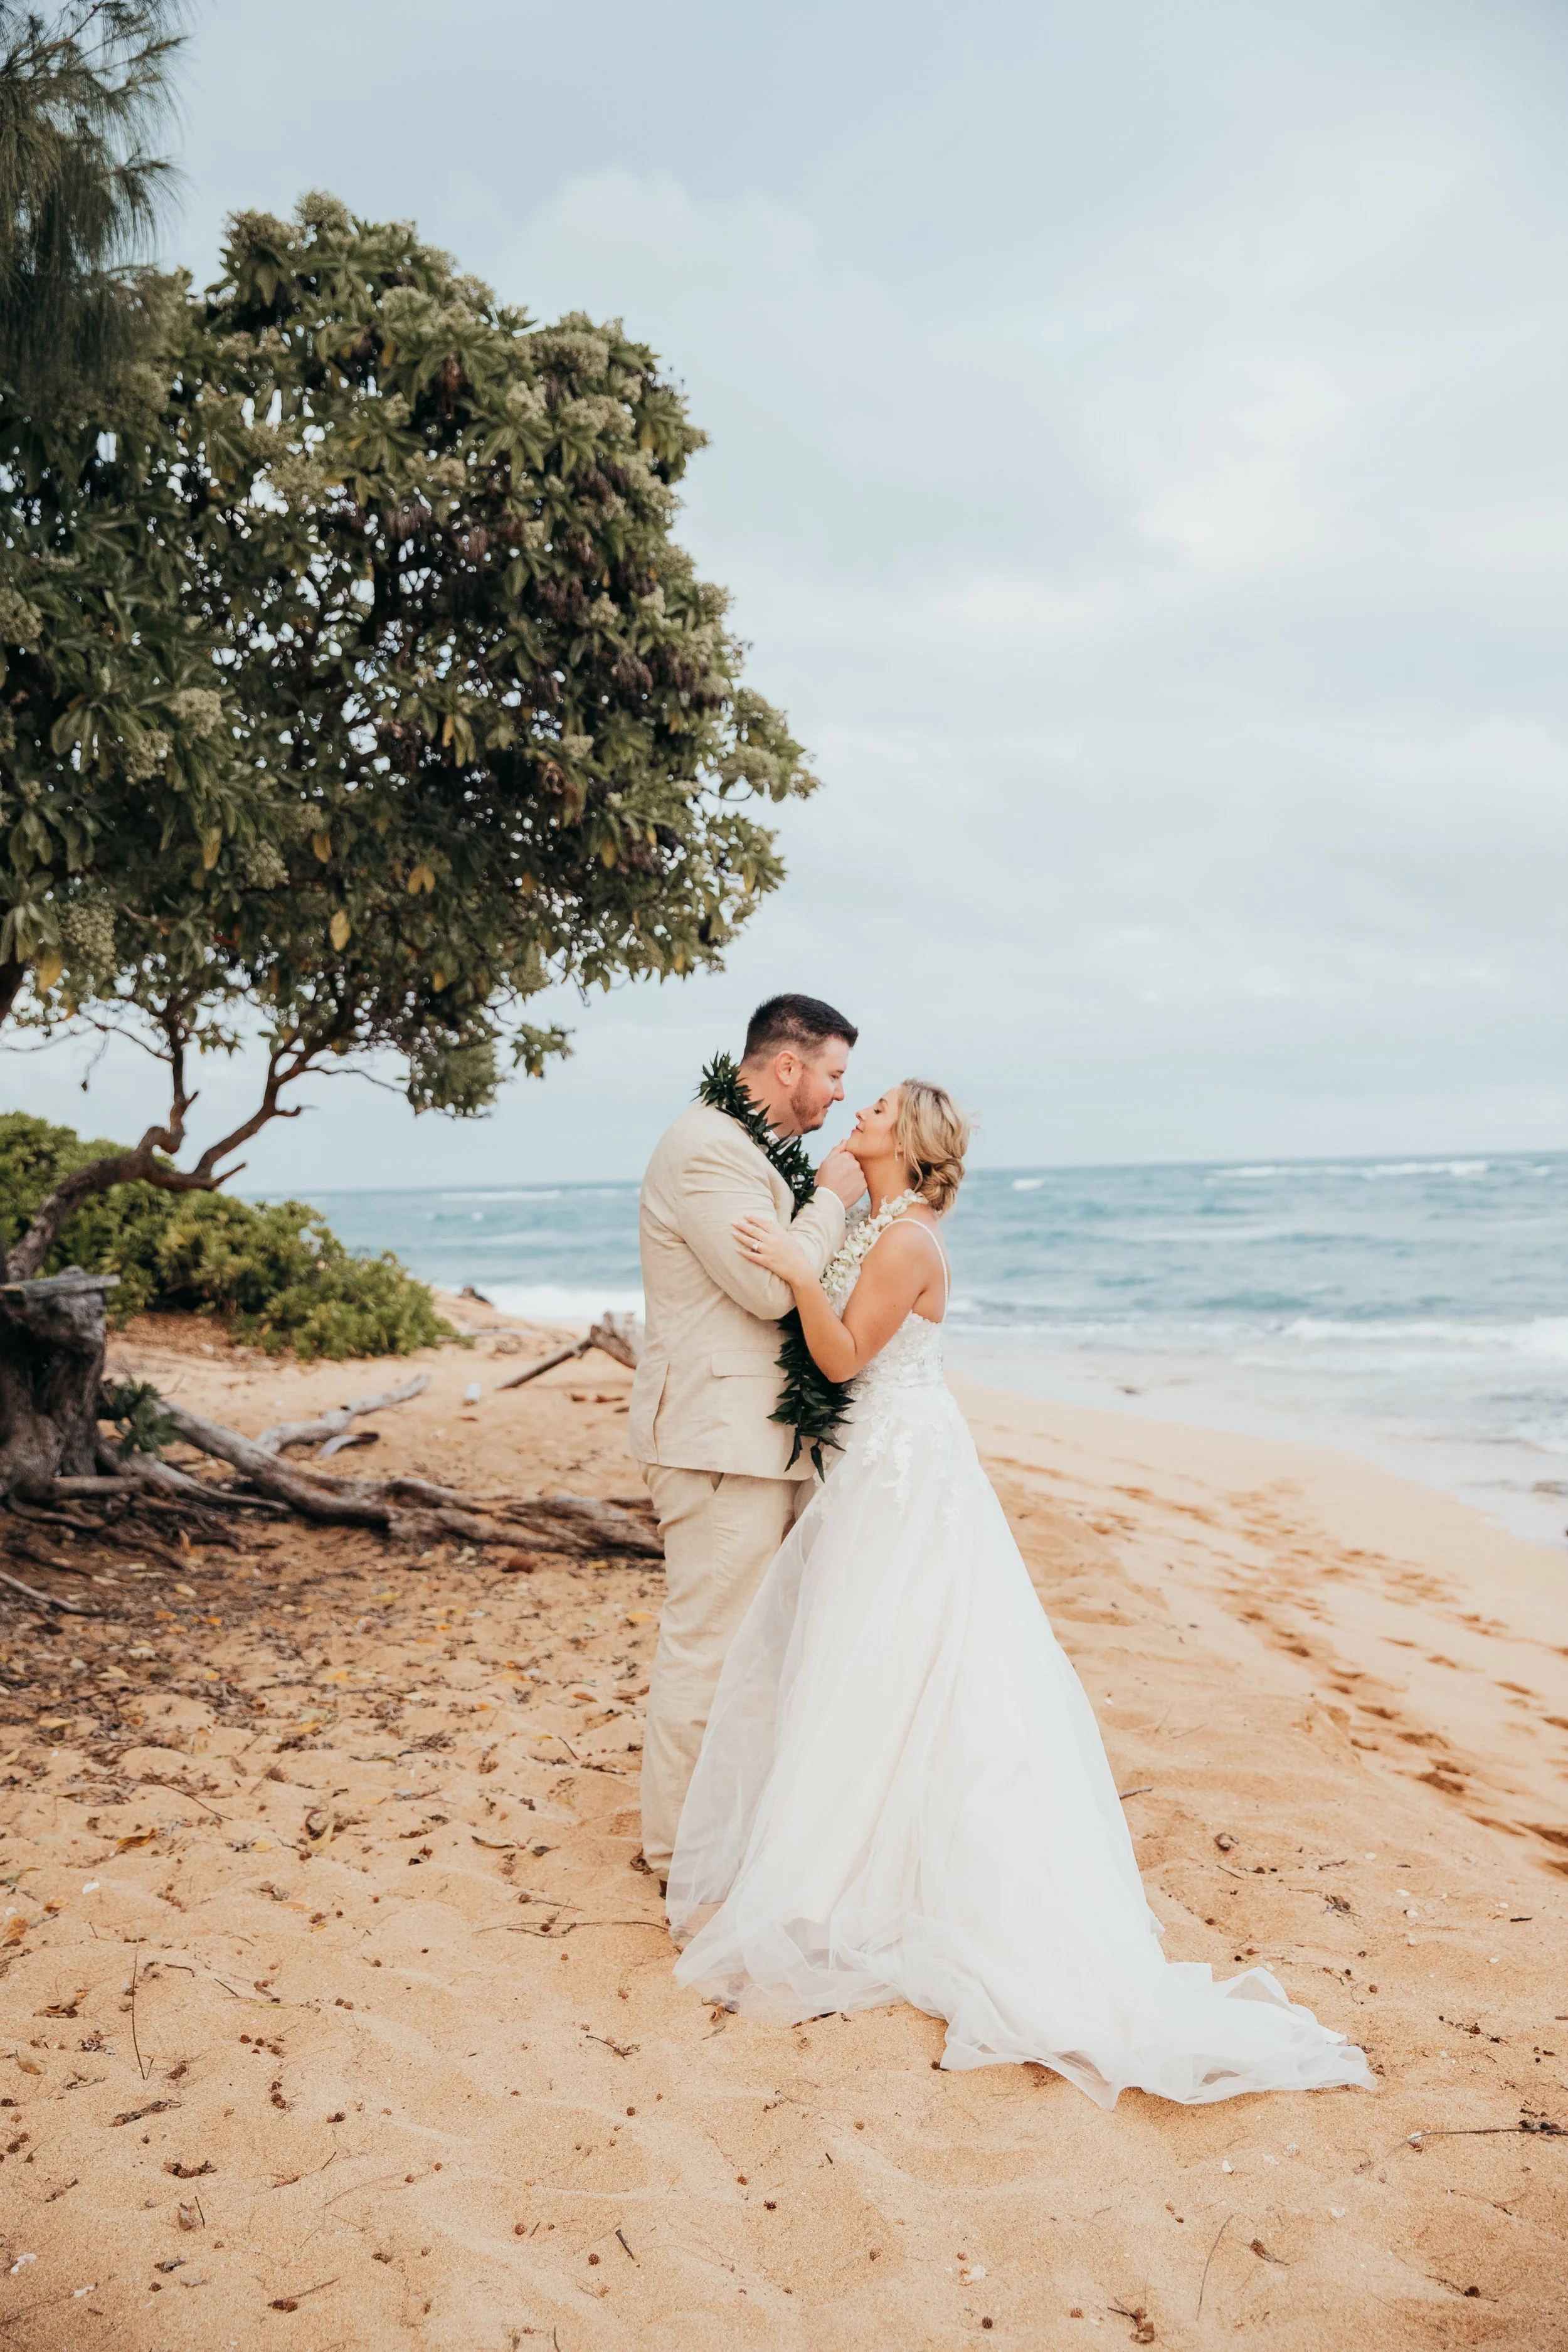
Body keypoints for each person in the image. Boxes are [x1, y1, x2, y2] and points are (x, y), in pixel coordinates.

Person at [665, 1079, 1374, 2108]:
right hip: (880, 1466)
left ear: (905, 1143)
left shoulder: (907, 1241)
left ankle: (883, 1887)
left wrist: (794, 1272)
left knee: (908, 1659)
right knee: (870, 1664)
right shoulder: (878, 1218)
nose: (859, 1109)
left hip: (907, 1474)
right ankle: (847, 1877)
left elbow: (844, 1353)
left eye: (878, 1107)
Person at [628, 993, 866, 1884]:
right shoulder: (707, 1152)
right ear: (790, 1066)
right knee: (709, 1646)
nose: (842, 1095)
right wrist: (834, 1200)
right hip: (716, 1441)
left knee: (748, 1648)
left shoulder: (748, 1148)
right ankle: (678, 1853)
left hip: (754, 1437)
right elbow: (768, 1291)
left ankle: (726, 1830)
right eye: (835, 1074)